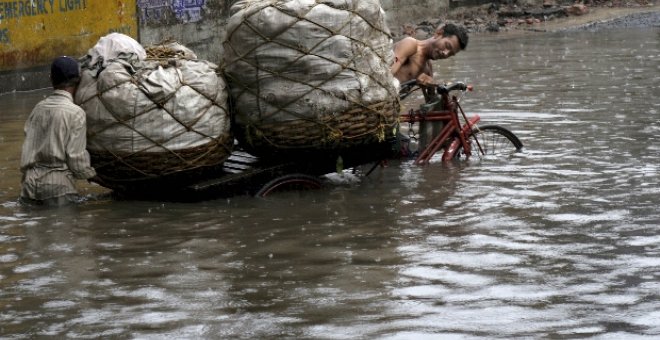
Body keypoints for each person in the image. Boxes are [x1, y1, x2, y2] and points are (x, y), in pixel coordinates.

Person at [19, 56, 98, 206]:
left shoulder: (38, 108)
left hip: (29, 186)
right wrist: (94, 175)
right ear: (78, 81)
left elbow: (27, 152)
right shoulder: (76, 113)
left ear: (51, 79)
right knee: (63, 227)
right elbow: (76, 160)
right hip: (58, 188)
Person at [391, 23, 469, 86]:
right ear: (439, 33)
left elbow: (431, 101)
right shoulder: (410, 44)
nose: (445, 54)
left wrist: (434, 87)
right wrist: (396, 60)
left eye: (451, 54)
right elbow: (388, 70)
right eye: (447, 46)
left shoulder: (427, 69)